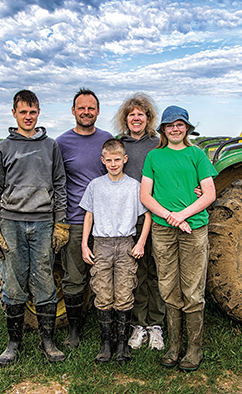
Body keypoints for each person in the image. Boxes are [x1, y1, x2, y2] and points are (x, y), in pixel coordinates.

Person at [0, 89, 69, 365]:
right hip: (11, 222)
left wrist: (61, 223)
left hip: (43, 222)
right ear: (14, 114)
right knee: (14, 279)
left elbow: (59, 186)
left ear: (39, 112)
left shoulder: (50, 146)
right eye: (23, 112)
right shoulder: (3, 148)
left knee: (44, 278)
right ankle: (13, 343)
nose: (28, 117)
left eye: (33, 112)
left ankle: (48, 341)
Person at [140, 105, 217, 371]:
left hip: (194, 228)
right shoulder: (154, 157)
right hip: (163, 230)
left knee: (193, 288)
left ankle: (194, 350)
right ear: (162, 129)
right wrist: (169, 217)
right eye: (169, 125)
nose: (174, 128)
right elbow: (145, 196)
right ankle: (174, 347)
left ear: (187, 128)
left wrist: (181, 215)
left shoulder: (197, 155)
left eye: (179, 124)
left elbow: (208, 194)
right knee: (168, 287)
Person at [80, 138, 152, 363]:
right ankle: (105, 343)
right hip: (101, 243)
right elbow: (88, 215)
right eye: (109, 160)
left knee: (124, 291)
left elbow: (147, 215)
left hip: (125, 243)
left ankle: (122, 344)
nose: (113, 164)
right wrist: (85, 244)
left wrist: (140, 242)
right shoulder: (95, 185)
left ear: (125, 160)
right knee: (102, 292)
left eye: (117, 160)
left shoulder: (133, 186)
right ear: (103, 161)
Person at [56, 88, 113, 350]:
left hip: (107, 221)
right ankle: (74, 330)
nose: (86, 112)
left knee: (108, 275)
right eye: (82, 108)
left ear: (98, 111)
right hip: (76, 219)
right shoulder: (61, 143)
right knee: (74, 276)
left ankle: (111, 328)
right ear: (73, 111)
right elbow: (55, 182)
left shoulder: (107, 139)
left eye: (91, 108)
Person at [113, 93, 166, 351]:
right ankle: (137, 324)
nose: (136, 118)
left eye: (141, 114)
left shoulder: (158, 145)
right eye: (131, 114)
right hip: (128, 220)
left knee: (156, 272)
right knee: (135, 273)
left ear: (148, 118)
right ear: (126, 118)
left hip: (156, 217)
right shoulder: (118, 146)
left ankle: (156, 324)